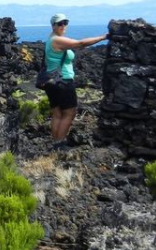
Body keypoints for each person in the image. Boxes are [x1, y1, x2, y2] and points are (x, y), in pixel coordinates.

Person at [42, 13, 109, 149]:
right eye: (59, 24)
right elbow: (80, 44)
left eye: (65, 23)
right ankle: (60, 144)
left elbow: (77, 45)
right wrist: (103, 37)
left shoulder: (51, 38)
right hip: (63, 81)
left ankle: (56, 144)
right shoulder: (57, 40)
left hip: (51, 81)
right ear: (53, 25)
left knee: (57, 113)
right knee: (70, 112)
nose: (63, 26)